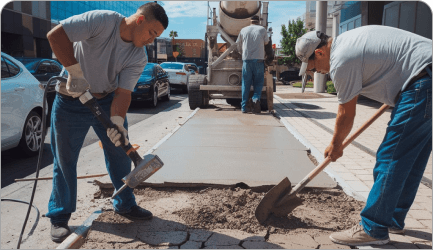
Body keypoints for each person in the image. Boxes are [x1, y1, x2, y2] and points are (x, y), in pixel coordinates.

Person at [295, 26, 431, 246]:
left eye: (312, 66)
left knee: (390, 156)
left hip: (422, 83)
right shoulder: (350, 42)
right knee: (411, 159)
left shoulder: (341, 60)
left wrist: (336, 144)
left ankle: (374, 227)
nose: (314, 72)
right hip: (424, 78)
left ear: (319, 53)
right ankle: (392, 219)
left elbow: (346, 113)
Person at [45, 3, 168, 243]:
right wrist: (74, 72)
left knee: (119, 155)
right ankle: (59, 217)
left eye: (157, 37)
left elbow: (123, 93)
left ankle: (125, 205)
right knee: (65, 159)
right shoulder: (102, 21)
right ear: (140, 21)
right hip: (70, 100)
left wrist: (117, 121)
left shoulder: (138, 55)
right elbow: (56, 35)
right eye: (152, 33)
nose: (152, 40)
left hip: (106, 98)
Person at [236, 15, 269, 114]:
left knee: (246, 84)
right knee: (258, 83)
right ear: (258, 21)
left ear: (250, 21)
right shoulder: (262, 29)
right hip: (259, 60)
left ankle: (243, 107)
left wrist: (242, 53)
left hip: (247, 60)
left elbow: (238, 44)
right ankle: (255, 99)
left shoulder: (243, 30)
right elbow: (266, 42)